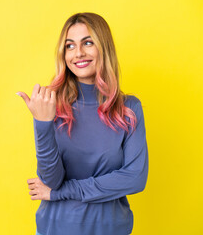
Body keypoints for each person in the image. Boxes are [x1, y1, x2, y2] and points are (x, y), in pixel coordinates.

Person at [16, 12, 148, 235]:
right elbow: (51, 179)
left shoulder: (129, 109)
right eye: (70, 46)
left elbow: (135, 179)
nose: (78, 53)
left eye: (88, 43)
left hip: (110, 229)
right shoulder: (50, 104)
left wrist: (60, 193)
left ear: (103, 48)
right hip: (55, 228)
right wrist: (42, 124)